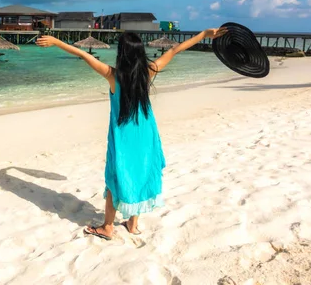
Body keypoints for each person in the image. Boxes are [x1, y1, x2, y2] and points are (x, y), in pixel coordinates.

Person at [36, 28, 227, 241]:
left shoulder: (113, 75)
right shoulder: (149, 71)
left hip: (123, 137)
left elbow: (83, 54)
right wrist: (204, 35)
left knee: (114, 178)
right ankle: (133, 224)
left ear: (122, 54)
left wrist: (56, 41)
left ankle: (108, 227)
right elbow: (175, 50)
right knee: (139, 174)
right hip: (146, 134)